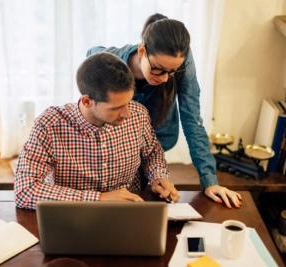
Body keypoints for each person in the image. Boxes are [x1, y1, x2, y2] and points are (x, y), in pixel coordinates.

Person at [87, 13, 242, 208]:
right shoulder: (112, 61)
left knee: (151, 198)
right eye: (158, 69)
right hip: (120, 148)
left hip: (160, 141)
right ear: (142, 51)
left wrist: (210, 181)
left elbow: (192, 119)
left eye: (172, 72)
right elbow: (92, 54)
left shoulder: (180, 62)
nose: (165, 78)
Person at [14, 52, 180, 210]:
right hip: (73, 218)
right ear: (87, 101)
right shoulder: (48, 125)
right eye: (116, 108)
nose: (127, 114)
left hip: (130, 214)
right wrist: (99, 199)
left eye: (128, 102)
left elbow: (152, 154)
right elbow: (25, 191)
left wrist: (158, 176)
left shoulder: (139, 114)